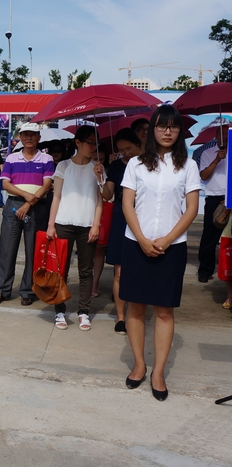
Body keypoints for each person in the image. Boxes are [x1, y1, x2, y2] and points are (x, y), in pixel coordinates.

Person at [120, 105, 201, 401]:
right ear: (152, 129)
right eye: (162, 126)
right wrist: (142, 239)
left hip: (172, 247)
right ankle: (139, 365)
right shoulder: (136, 164)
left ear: (179, 131)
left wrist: (167, 240)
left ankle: (158, 372)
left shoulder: (188, 166)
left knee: (165, 310)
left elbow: (191, 209)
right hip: (136, 244)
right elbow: (127, 204)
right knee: (136, 307)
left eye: (173, 126)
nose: (168, 131)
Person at [47, 126, 103, 331]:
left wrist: (96, 224)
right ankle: (59, 310)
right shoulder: (63, 166)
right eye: (90, 142)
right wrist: (51, 225)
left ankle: (84, 312)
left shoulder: (98, 167)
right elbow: (56, 197)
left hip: (87, 225)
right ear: (78, 143)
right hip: (64, 223)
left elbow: (101, 199)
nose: (93, 147)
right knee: (60, 269)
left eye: (96, 143)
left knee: (86, 272)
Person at [0, 123, 54, 306]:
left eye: (33, 135)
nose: (29, 138)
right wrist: (26, 196)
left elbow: (47, 185)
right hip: (13, 206)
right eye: (25, 134)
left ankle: (28, 291)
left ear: (39, 138)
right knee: (7, 250)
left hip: (37, 207)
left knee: (33, 251)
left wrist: (28, 203)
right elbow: (6, 184)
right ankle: (1, 290)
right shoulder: (12, 158)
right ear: (20, 137)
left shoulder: (46, 158)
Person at [95, 128, 141, 335]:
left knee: (139, 270)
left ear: (138, 144)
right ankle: (121, 317)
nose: (126, 153)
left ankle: (137, 313)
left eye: (129, 148)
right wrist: (100, 178)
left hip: (144, 220)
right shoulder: (116, 166)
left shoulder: (149, 164)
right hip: (121, 220)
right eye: (122, 150)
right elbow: (107, 195)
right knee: (120, 272)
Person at [197, 125, 227, 283]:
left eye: (227, 134)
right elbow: (203, 176)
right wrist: (217, 160)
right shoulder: (207, 153)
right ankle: (205, 270)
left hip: (230, 197)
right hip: (215, 198)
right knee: (210, 236)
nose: (225, 137)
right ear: (216, 136)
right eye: (221, 134)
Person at [91, 142, 110, 298]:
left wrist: (101, 176)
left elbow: (108, 195)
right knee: (86, 250)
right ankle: (87, 281)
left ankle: (95, 282)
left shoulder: (106, 170)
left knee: (99, 250)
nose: (98, 161)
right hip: (85, 209)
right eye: (95, 158)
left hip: (103, 210)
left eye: (102, 159)